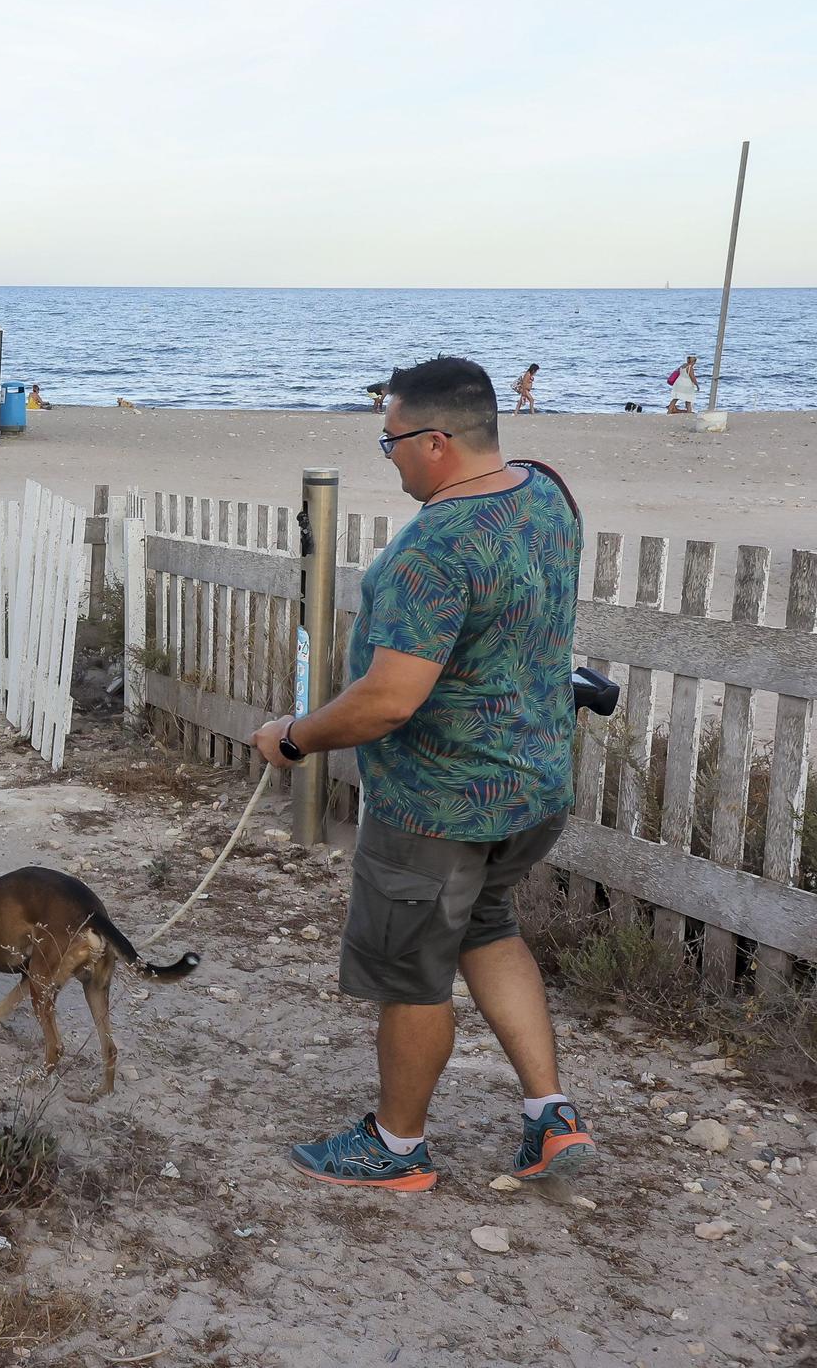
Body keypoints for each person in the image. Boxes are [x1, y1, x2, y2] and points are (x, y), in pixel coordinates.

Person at [248, 355, 593, 1193]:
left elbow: (388, 701)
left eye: (391, 438)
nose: (389, 454)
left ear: (435, 442)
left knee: (411, 970)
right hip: (535, 785)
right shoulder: (546, 493)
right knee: (487, 924)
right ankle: (551, 1115)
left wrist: (294, 736)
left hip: (438, 807)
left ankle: (397, 1148)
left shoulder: (431, 551)